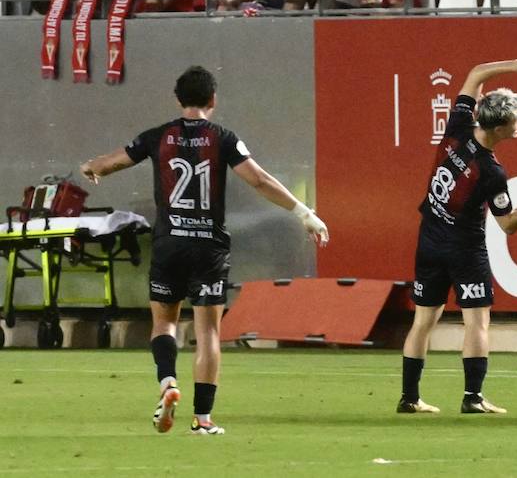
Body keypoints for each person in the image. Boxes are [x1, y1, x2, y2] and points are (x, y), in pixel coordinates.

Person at [77, 65, 328, 435]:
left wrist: (91, 167)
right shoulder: (223, 138)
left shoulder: (158, 136)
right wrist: (304, 213)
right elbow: (259, 180)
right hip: (208, 245)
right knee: (208, 331)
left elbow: (112, 162)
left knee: (163, 322)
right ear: (213, 100)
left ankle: (167, 383)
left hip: (169, 243)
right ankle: (203, 419)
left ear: (178, 100)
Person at [398, 58, 517, 415]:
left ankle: (409, 398)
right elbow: (508, 225)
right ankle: (473, 397)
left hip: (428, 240)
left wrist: (514, 65)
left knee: (423, 321)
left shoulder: (457, 127)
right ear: (500, 125)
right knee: (477, 321)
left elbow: (473, 73)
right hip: (464, 249)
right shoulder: (491, 171)